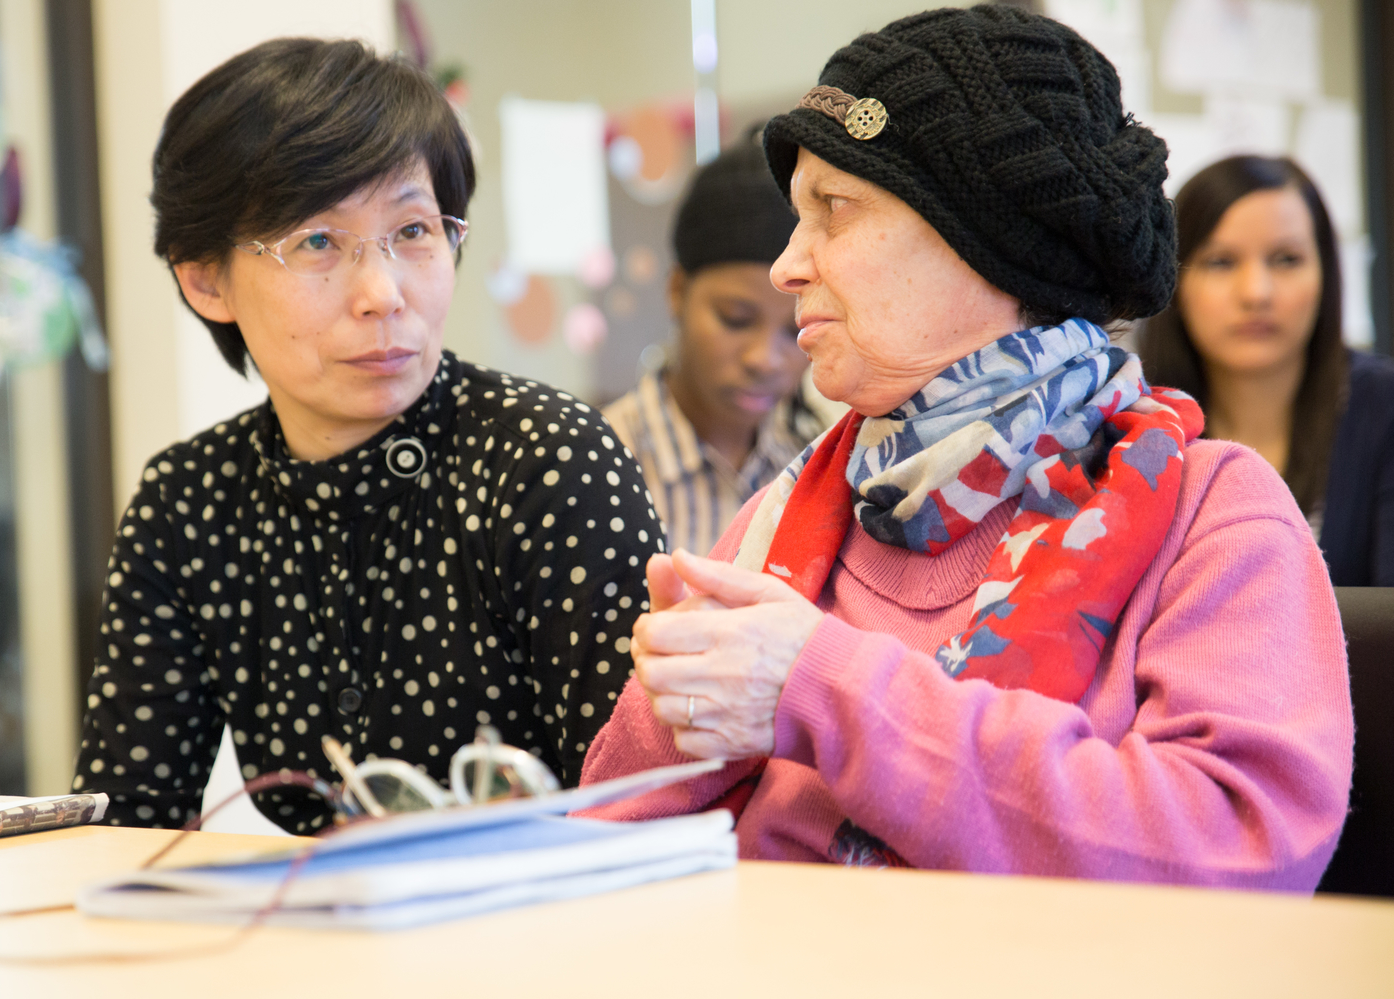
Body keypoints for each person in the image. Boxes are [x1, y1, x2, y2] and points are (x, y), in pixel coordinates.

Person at [578, 5, 1352, 890]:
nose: (788, 264)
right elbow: (612, 838)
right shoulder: (795, 510)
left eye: (833, 209)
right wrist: (686, 702)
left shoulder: (1211, 511)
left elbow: (1243, 848)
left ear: (988, 243)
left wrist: (819, 688)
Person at [72, 39, 666, 834]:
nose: (382, 293)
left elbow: (646, 803)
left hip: (553, 935)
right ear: (205, 278)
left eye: (413, 230)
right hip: (317, 941)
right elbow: (126, 826)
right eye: (317, 241)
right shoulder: (188, 502)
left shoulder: (545, 458)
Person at [1140, 155, 1394, 585]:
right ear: (1174, 283)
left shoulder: (1383, 407)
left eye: (1286, 259)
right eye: (1221, 262)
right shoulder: (1136, 428)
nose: (1256, 292)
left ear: (1326, 275)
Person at [603, 135, 826, 556]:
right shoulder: (600, 464)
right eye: (735, 319)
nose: (764, 359)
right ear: (676, 291)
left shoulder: (815, 471)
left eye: (795, 329)